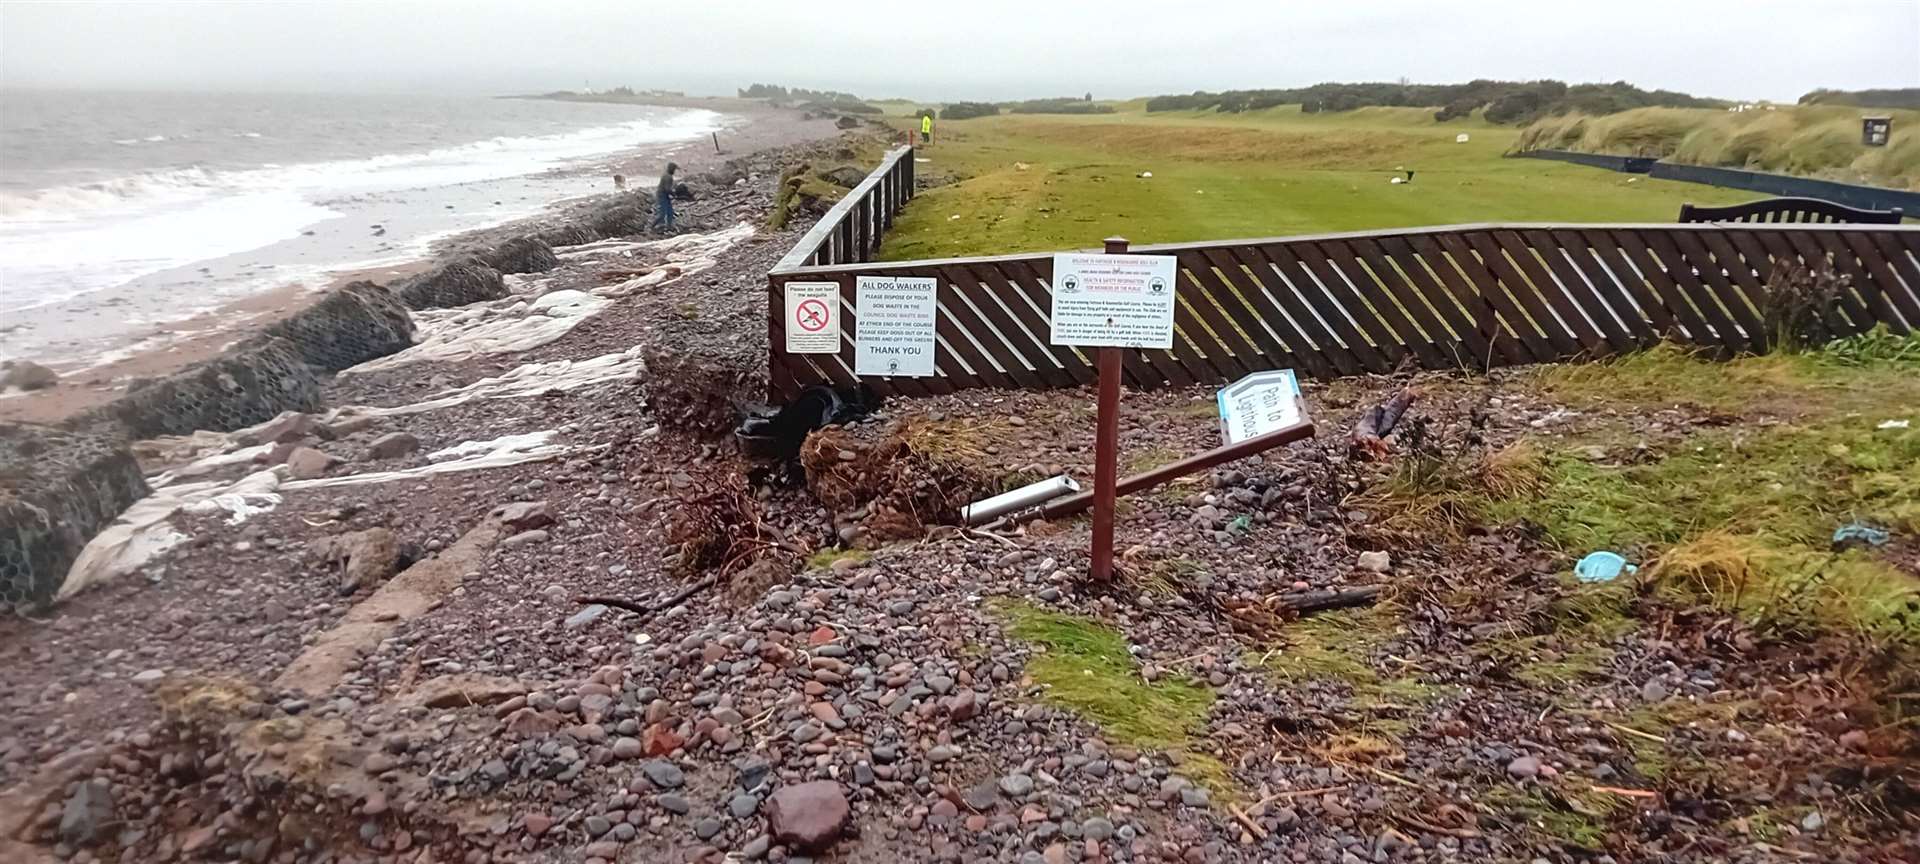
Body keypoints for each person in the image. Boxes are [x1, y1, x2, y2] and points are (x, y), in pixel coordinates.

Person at [651, 162, 678, 232]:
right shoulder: (668, 177)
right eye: (674, 169)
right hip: (662, 196)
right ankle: (650, 227)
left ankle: (669, 227)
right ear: (672, 169)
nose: (674, 171)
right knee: (662, 214)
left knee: (670, 212)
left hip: (664, 195)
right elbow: (667, 189)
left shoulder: (666, 175)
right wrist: (674, 194)